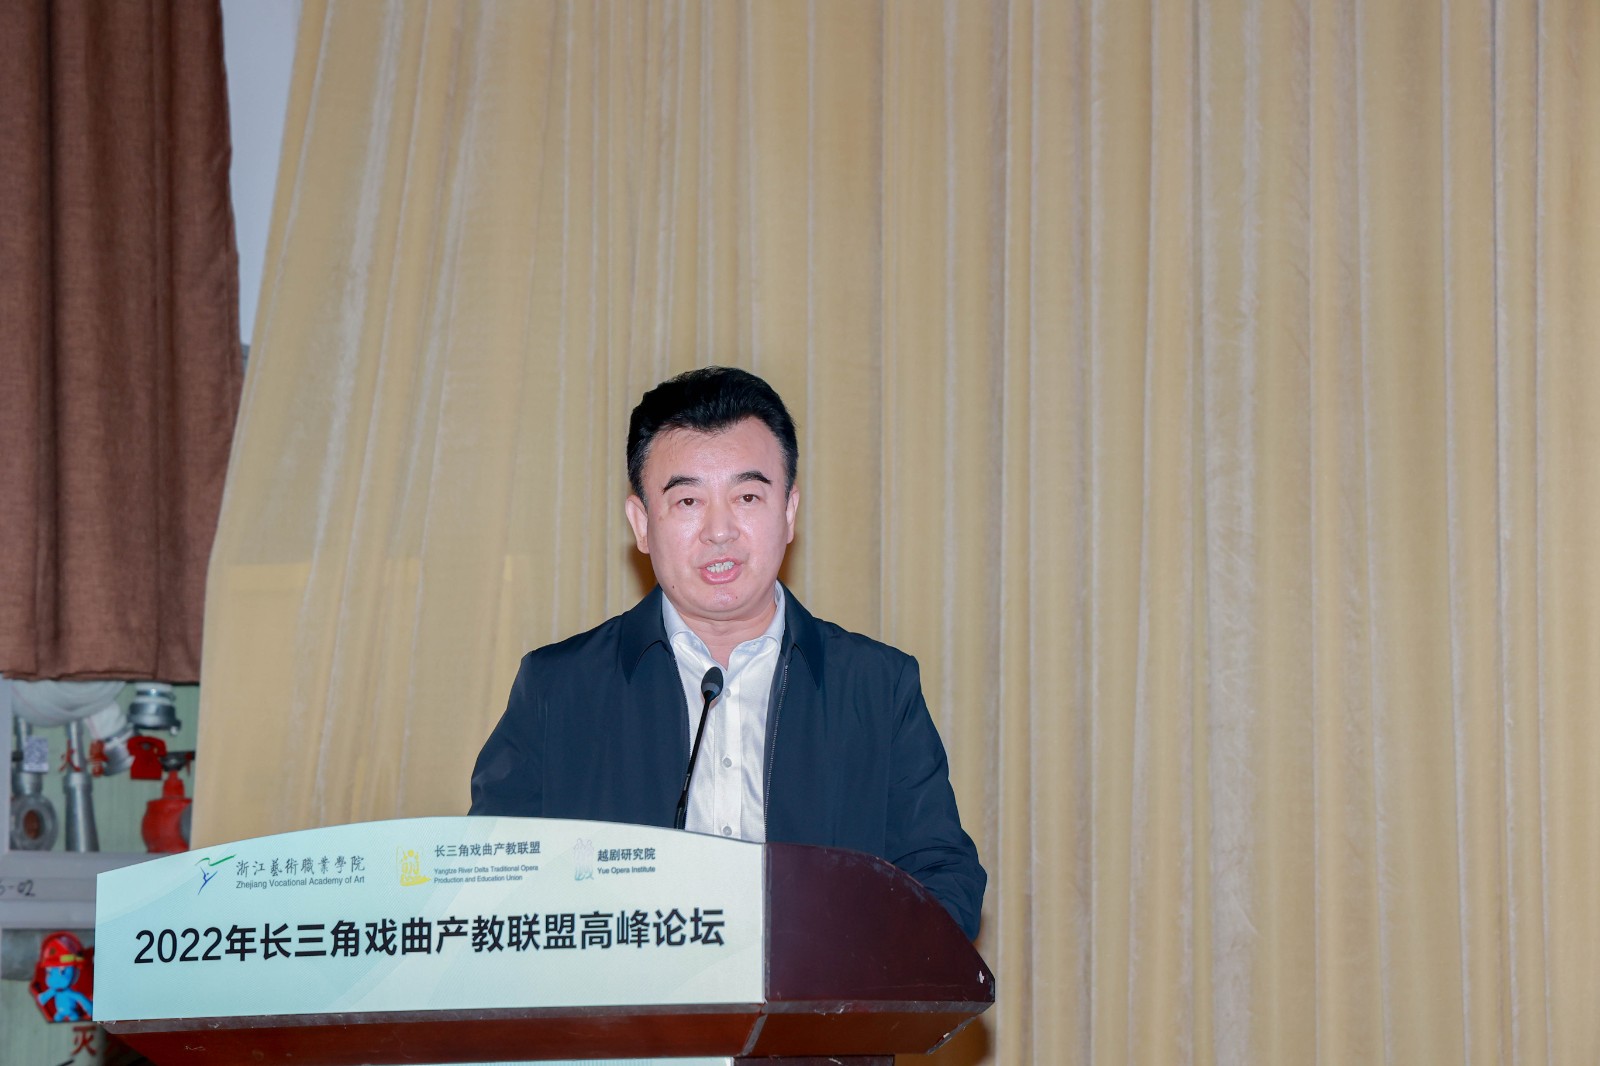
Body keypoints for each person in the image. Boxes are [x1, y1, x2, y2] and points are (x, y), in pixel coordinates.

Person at [470, 366, 985, 938]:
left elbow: (944, 878)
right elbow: (491, 881)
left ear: (788, 512)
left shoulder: (877, 686)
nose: (720, 530)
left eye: (747, 496)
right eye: (688, 500)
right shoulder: (558, 689)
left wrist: (847, 965)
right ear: (641, 524)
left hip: (821, 996)